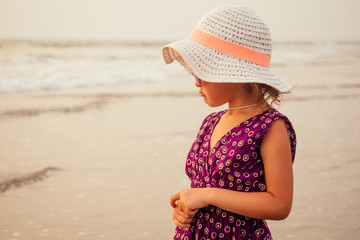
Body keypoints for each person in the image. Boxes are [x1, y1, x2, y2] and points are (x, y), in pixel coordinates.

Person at [162, 6, 296, 240]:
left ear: (232, 72)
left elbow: (280, 205)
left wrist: (208, 195)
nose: (196, 82)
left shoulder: (270, 127)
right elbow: (202, 186)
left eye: (201, 71)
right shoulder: (210, 122)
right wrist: (185, 206)